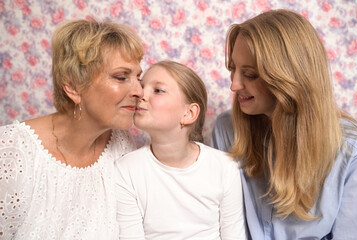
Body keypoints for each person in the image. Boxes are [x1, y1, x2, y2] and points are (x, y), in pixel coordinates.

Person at [211, 9, 357, 239]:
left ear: (288, 78)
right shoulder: (226, 130)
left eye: (250, 74)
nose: (234, 85)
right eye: (233, 69)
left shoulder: (352, 155)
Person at [0, 18, 144, 239]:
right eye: (121, 77)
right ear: (74, 87)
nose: (139, 91)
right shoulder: (13, 151)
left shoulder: (122, 145)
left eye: (138, 77)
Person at [114, 60, 246, 240]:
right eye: (142, 86)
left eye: (158, 90)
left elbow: (234, 236)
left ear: (189, 113)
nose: (141, 95)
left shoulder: (225, 168)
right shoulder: (126, 170)